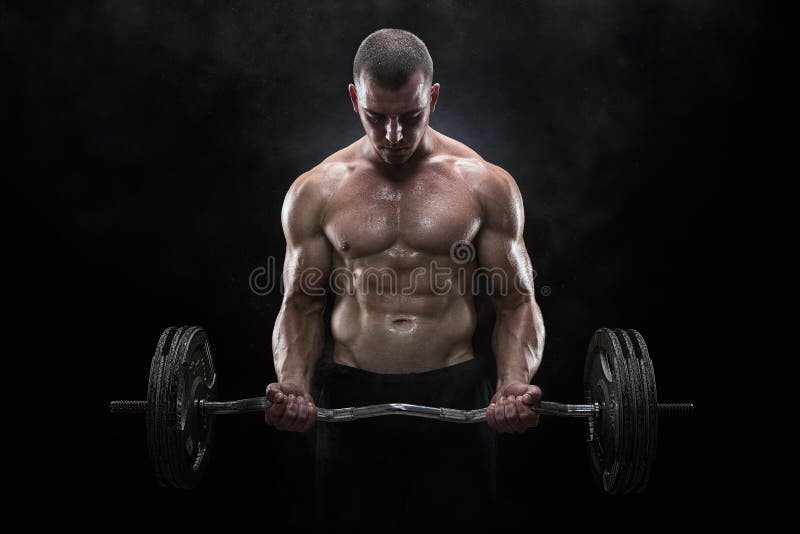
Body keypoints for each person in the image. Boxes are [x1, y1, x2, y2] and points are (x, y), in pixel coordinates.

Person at [264, 28, 545, 528]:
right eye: (377, 116)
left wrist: (512, 383)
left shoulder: (485, 185)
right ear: (354, 99)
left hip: (457, 395)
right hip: (349, 396)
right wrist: (293, 384)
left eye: (410, 116)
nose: (394, 134)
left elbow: (516, 304)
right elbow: (300, 306)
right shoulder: (316, 191)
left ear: (432, 97)